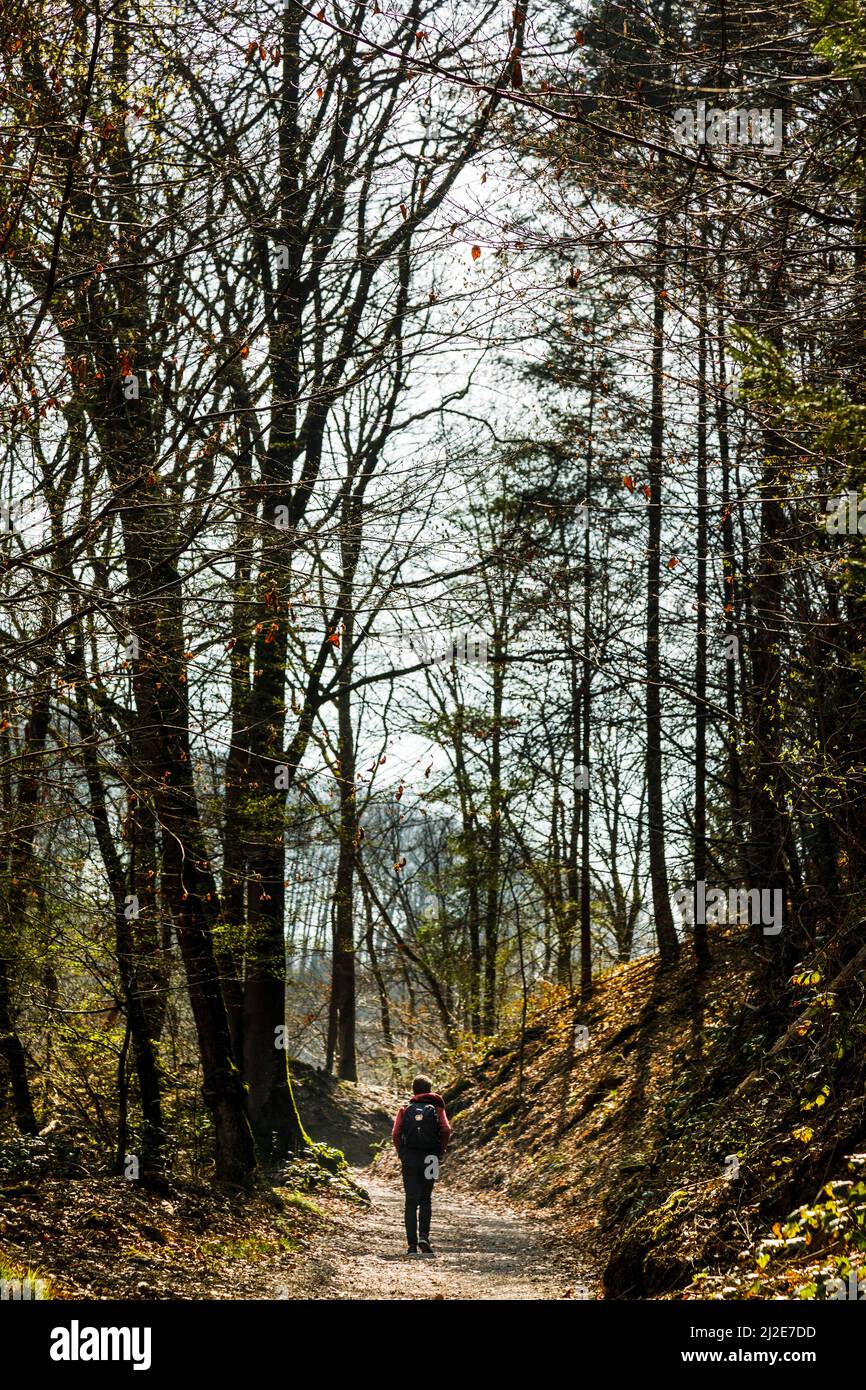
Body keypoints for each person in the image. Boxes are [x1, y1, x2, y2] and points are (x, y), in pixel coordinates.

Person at [392, 1075, 452, 1257]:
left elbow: (395, 1133)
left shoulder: (405, 1108)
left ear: (413, 1090)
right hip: (431, 1158)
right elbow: (446, 1130)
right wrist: (439, 1150)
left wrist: (401, 1153)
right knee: (426, 1198)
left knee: (411, 1201)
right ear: (430, 1089)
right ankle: (424, 1237)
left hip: (410, 1158)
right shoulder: (437, 1108)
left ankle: (411, 1247)